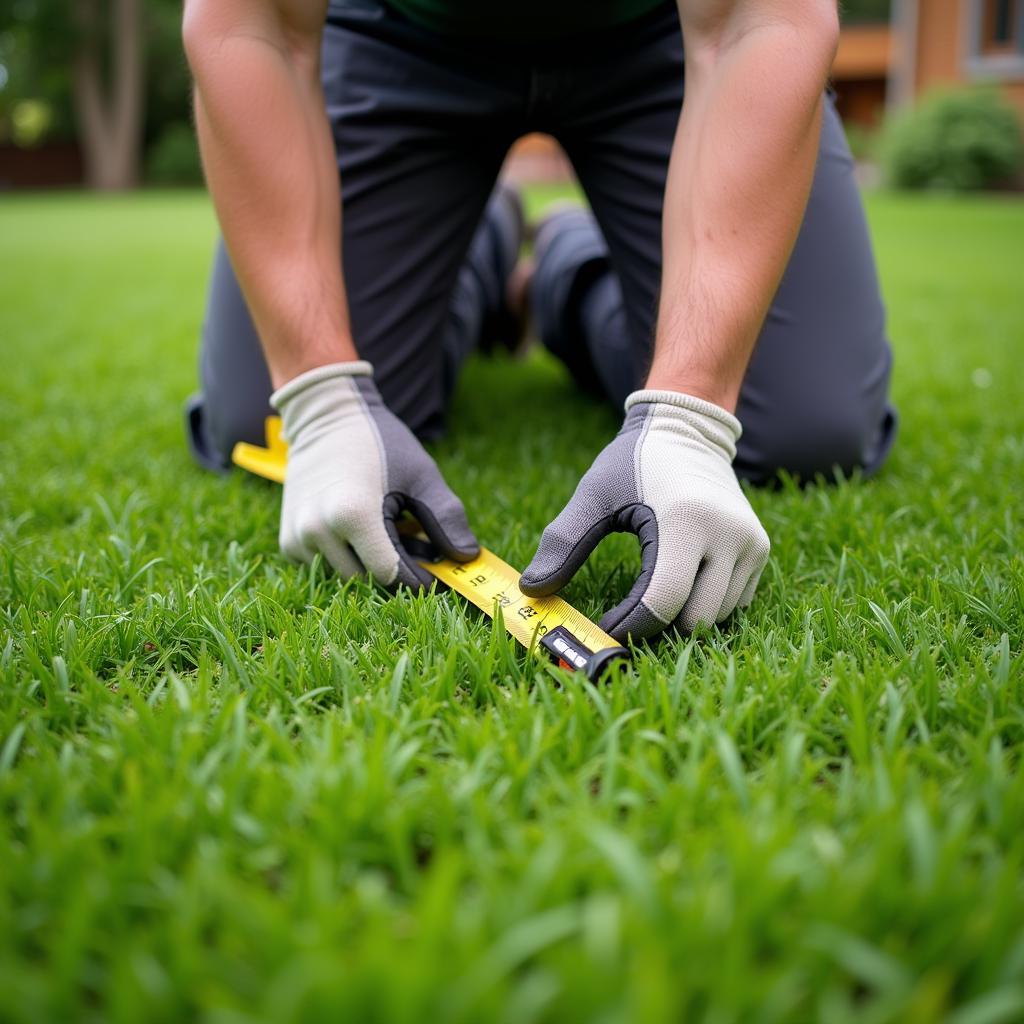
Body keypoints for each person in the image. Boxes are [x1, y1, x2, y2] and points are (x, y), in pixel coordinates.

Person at [182, 0, 897, 642]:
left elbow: (763, 18)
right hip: (392, 32)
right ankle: (481, 251)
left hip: (667, 36)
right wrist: (320, 397)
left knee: (805, 430)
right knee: (264, 421)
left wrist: (693, 416)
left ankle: (567, 274)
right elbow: (251, 24)